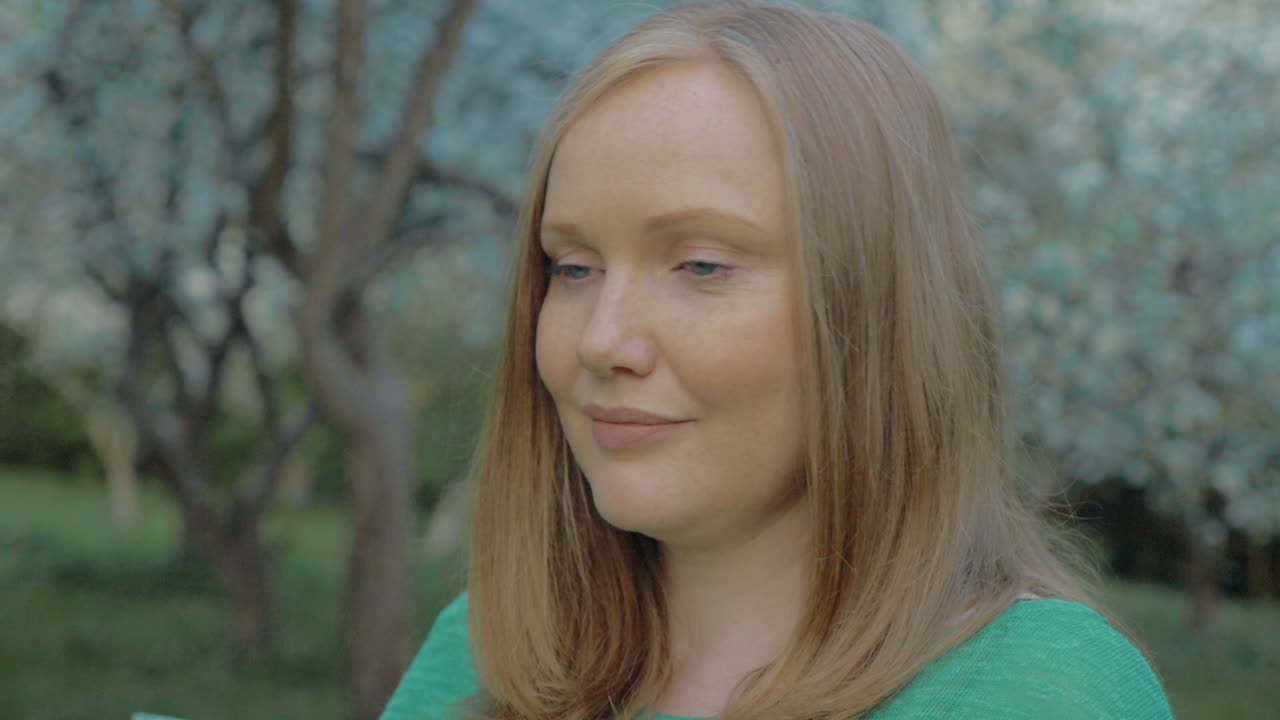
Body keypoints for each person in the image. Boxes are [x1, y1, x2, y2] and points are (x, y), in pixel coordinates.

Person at [381, 2, 1174, 718]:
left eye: (701, 266)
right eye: (574, 268)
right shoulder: (484, 656)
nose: (600, 341)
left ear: (877, 310)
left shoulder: (1038, 693)